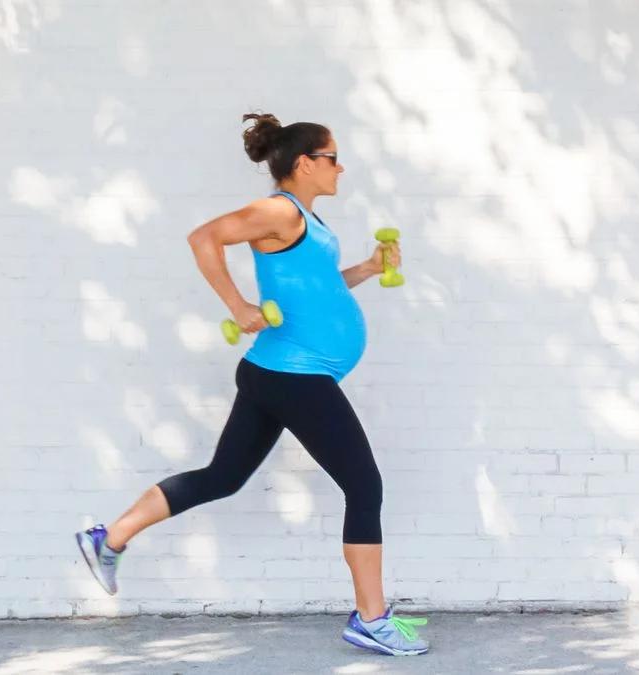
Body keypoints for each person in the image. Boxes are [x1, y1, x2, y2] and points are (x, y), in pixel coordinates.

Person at [75, 113, 430, 657]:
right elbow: (204, 238)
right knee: (365, 487)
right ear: (306, 163)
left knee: (223, 476)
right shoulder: (279, 211)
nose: (341, 167)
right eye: (333, 157)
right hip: (295, 376)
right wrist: (237, 306)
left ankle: (109, 538)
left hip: (279, 372)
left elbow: (316, 291)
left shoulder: (305, 220)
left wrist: (366, 267)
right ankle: (371, 620)